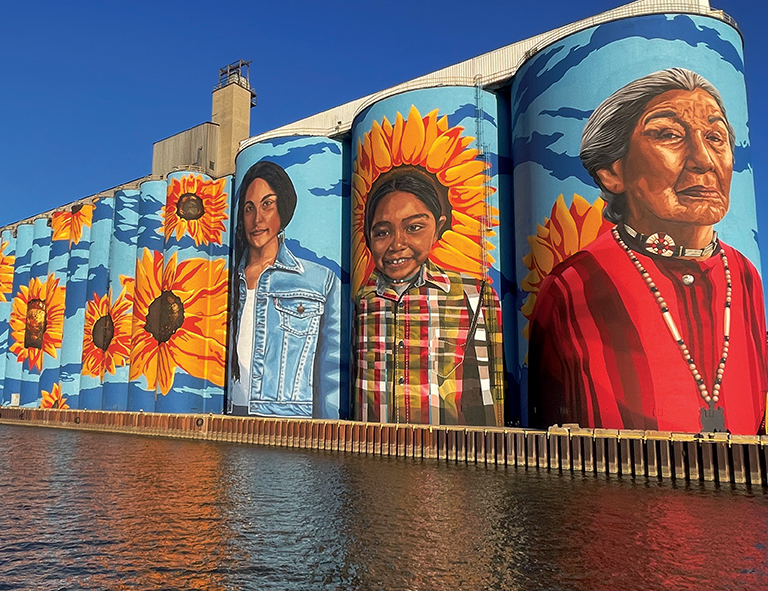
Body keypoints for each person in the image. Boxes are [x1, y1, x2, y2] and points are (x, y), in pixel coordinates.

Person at [528, 68, 768, 434]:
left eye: (716, 137)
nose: (704, 160)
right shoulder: (573, 283)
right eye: (669, 135)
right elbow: (547, 429)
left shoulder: (744, 274)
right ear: (612, 172)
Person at [353, 171, 503, 426]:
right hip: (374, 452)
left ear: (438, 227)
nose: (397, 243)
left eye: (414, 228)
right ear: (367, 236)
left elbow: (487, 392)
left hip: (448, 454)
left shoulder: (473, 295)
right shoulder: (361, 302)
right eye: (382, 232)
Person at [227, 160, 342, 418]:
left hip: (290, 420)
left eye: (267, 204)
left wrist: (325, 434)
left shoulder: (320, 280)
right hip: (231, 418)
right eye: (249, 208)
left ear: (284, 208)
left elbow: (331, 370)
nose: (257, 219)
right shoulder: (227, 281)